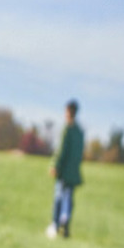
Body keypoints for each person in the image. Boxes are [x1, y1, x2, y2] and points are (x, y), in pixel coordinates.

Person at [46, 99, 85, 239]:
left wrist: (55, 165)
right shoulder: (80, 132)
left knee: (59, 198)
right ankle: (65, 225)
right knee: (68, 199)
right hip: (74, 173)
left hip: (64, 172)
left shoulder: (67, 129)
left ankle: (56, 225)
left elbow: (61, 150)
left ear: (69, 112)